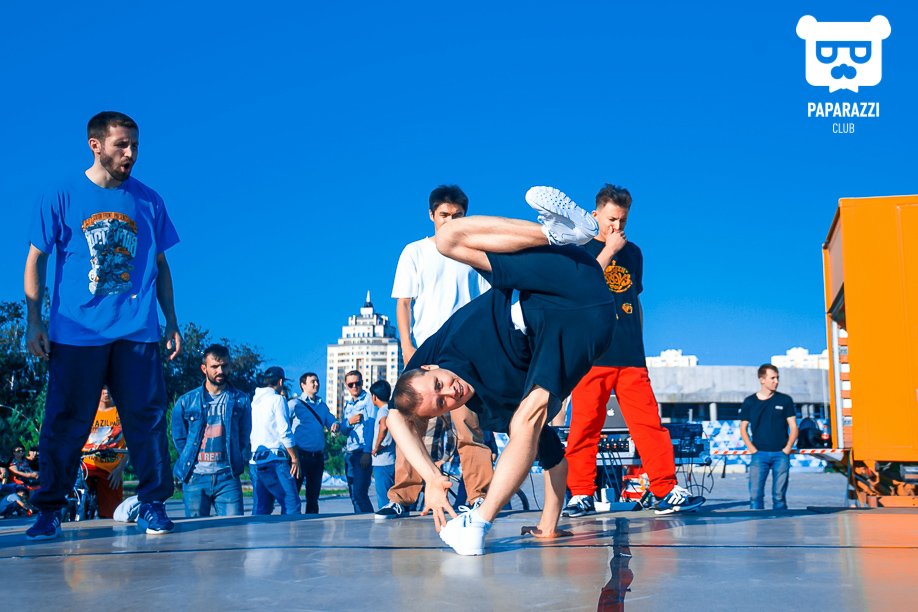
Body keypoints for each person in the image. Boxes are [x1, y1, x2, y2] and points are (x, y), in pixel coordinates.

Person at [389, 186, 620, 556]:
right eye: (443, 404)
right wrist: (549, 524)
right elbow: (553, 459)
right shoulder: (494, 408)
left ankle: (561, 232)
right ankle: (480, 523)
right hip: (581, 325)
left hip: (552, 279)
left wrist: (431, 478)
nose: (450, 392)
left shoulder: (437, 348)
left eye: (439, 384)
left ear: (429, 367)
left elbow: (395, 415)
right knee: (526, 419)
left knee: (447, 238)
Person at [23, 111, 182, 540]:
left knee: (147, 420)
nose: (130, 154)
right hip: (77, 333)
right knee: (65, 422)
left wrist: (171, 320)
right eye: (121, 145)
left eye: (135, 146)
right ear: (95, 145)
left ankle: (152, 504)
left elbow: (161, 265)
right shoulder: (61, 195)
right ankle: (49, 510)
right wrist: (34, 321)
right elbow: (36, 259)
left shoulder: (149, 200)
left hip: (137, 331)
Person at [563, 184, 704, 517]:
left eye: (623, 221)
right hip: (593, 355)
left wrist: (638, 342)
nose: (618, 226)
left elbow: (633, 299)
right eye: (612, 219)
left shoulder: (634, 253)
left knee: (649, 424)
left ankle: (665, 490)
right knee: (585, 426)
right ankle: (581, 494)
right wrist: (609, 250)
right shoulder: (578, 249)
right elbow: (581, 288)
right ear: (595, 215)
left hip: (630, 356)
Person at [378, 184, 494, 520]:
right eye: (444, 215)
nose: (450, 221)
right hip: (426, 350)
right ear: (431, 215)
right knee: (411, 423)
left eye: (458, 215)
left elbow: (488, 301)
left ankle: (479, 496)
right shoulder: (415, 251)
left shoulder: (475, 252)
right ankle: (402, 497)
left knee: (469, 425)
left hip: (465, 352)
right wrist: (407, 346)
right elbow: (403, 303)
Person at [172, 344, 252, 518]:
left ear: (230, 367)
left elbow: (244, 436)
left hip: (227, 476)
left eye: (224, 366)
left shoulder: (241, 400)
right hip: (195, 476)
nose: (220, 371)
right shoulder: (187, 401)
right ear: (204, 368)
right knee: (195, 530)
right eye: (214, 366)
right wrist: (190, 457)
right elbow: (179, 438)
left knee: (234, 529)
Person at [740, 364, 798, 510]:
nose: (776, 381)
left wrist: (787, 448)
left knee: (779, 497)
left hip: (781, 454)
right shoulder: (750, 402)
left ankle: (781, 523)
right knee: (755, 497)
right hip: (759, 455)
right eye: (772, 378)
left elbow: (793, 426)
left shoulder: (785, 400)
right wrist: (752, 449)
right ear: (762, 379)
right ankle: (756, 522)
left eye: (777, 378)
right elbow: (743, 428)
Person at [249, 367, 301, 515]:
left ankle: (257, 531)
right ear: (280, 382)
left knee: (261, 507)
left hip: (255, 460)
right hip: (275, 460)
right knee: (291, 503)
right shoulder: (277, 399)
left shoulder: (254, 402)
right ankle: (291, 531)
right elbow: (285, 432)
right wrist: (295, 458)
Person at [288, 372, 339, 514]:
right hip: (299, 458)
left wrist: (335, 424)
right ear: (303, 385)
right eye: (312, 382)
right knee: (293, 496)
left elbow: (331, 420)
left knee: (313, 498)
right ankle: (290, 523)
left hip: (317, 458)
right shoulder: (294, 404)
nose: (316, 384)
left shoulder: (322, 406)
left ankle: (312, 524)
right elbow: (282, 424)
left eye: (317, 381)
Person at [81, 387, 130, 518]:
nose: (106, 392)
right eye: (102, 388)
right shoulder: (87, 411)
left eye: (109, 388)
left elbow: (130, 444)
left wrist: (119, 469)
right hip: (87, 465)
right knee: (75, 497)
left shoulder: (122, 412)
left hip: (111, 469)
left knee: (112, 515)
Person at [339, 370, 376, 513]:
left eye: (357, 383)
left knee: (360, 493)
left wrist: (367, 452)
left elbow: (372, 428)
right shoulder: (348, 404)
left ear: (362, 383)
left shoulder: (369, 401)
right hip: (350, 453)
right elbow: (343, 430)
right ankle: (359, 520)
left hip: (362, 452)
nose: (354, 386)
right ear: (346, 386)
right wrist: (349, 422)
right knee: (354, 495)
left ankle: (368, 521)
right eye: (351, 384)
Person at [368, 380, 396, 510]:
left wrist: (377, 447)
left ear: (374, 396)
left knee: (384, 499)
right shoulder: (392, 409)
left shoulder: (382, 411)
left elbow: (383, 426)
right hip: (392, 459)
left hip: (382, 461)